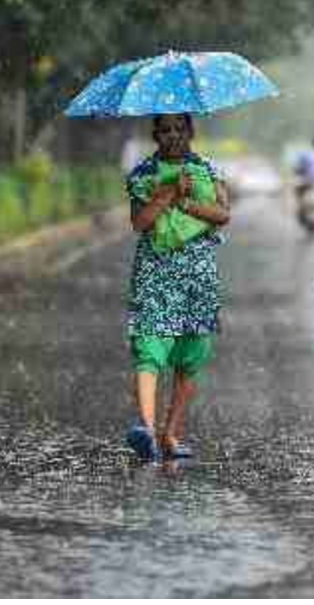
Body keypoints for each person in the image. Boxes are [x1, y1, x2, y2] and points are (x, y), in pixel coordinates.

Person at [124, 113, 231, 461]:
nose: (172, 136)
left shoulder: (209, 169)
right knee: (149, 346)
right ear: (155, 134)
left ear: (190, 131)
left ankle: (170, 433)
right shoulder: (142, 175)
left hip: (198, 275)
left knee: (190, 357)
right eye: (165, 130)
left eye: (179, 129)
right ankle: (146, 428)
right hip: (155, 272)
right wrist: (166, 194)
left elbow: (222, 214)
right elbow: (140, 223)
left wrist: (185, 201)